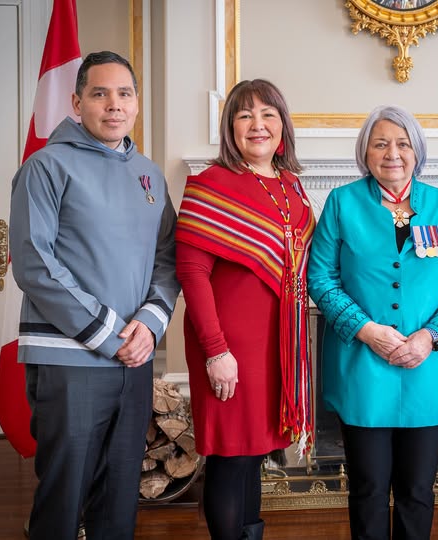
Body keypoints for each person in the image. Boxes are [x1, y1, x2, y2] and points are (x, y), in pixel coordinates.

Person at [9, 51, 179, 540]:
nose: (113, 104)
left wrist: (149, 325)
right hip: (70, 358)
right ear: (76, 102)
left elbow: (167, 257)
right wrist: (111, 336)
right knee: (65, 494)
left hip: (134, 358)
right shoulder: (45, 166)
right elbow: (35, 264)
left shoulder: (149, 173)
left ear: (136, 103)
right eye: (99, 93)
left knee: (120, 493)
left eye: (124, 93)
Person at [307, 105, 438, 540]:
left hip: (427, 367)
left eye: (403, 143)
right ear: (365, 152)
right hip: (362, 367)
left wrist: (429, 337)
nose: (392, 153)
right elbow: (320, 278)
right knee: (367, 488)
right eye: (380, 143)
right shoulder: (341, 204)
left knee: (417, 490)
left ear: (417, 151)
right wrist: (367, 331)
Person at [175, 79, 315, 540]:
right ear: (230, 128)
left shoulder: (292, 187)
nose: (258, 125)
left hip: (277, 345)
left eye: (268, 114)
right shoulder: (210, 185)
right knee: (231, 456)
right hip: (229, 345)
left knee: (253, 455)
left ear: (283, 126)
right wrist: (216, 350)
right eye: (245, 115)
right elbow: (192, 273)